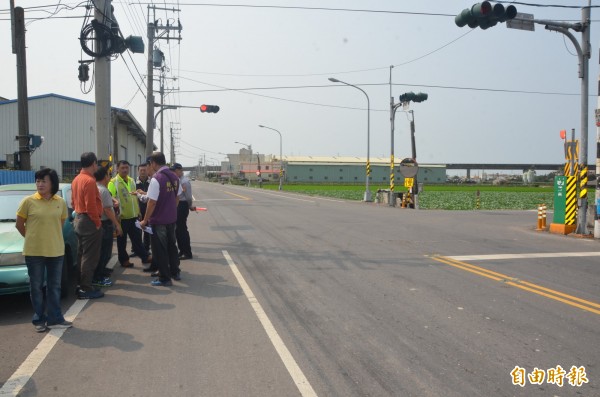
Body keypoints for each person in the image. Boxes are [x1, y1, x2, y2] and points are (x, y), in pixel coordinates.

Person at [16, 168, 73, 332]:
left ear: (52, 183)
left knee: (54, 286)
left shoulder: (60, 202)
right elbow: (19, 225)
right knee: (36, 286)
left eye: (44, 181)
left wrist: (50, 238)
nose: (40, 184)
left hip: (56, 250)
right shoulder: (28, 201)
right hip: (34, 252)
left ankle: (55, 318)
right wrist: (32, 238)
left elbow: (60, 225)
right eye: (38, 181)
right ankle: (39, 319)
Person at [140, 152, 182, 287]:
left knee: (160, 250)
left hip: (159, 221)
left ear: (153, 163)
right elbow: (177, 196)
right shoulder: (175, 177)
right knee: (172, 247)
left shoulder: (156, 179)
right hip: (171, 218)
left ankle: (165, 277)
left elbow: (151, 202)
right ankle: (175, 271)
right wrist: (171, 209)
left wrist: (145, 220)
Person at [71, 152, 104, 299]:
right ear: (93, 164)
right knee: (90, 257)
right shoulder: (89, 181)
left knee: (82, 254)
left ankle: (81, 284)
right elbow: (90, 205)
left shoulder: (77, 179)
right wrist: (97, 222)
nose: (97, 166)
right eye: (96, 163)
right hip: (89, 220)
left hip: (79, 218)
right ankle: (86, 288)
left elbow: (73, 202)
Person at [108, 160, 151, 268]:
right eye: (122, 168)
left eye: (127, 168)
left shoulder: (132, 181)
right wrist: (115, 201)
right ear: (117, 169)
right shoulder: (113, 182)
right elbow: (109, 196)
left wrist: (139, 212)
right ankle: (124, 261)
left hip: (134, 215)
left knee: (137, 240)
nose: (125, 170)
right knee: (121, 241)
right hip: (121, 218)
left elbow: (135, 197)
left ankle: (145, 257)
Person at [93, 166, 123, 287]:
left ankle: (101, 272)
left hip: (97, 223)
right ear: (105, 176)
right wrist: (117, 225)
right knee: (104, 251)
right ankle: (98, 277)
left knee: (101, 251)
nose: (109, 177)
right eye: (108, 175)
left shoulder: (96, 188)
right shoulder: (103, 190)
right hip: (104, 223)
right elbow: (107, 210)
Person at [171, 163, 193, 260]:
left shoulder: (185, 181)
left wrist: (190, 206)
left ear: (180, 170)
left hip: (183, 205)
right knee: (177, 230)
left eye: (175, 171)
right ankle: (181, 250)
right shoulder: (178, 180)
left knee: (182, 230)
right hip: (178, 205)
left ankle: (187, 252)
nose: (174, 173)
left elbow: (188, 197)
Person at [136, 162, 151, 253]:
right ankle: (136, 250)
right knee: (137, 232)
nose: (143, 172)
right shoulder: (134, 182)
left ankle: (146, 249)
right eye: (141, 170)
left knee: (147, 231)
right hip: (138, 210)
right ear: (138, 171)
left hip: (149, 210)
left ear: (147, 170)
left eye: (144, 170)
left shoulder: (152, 181)